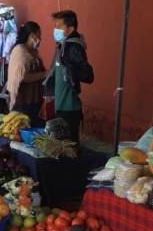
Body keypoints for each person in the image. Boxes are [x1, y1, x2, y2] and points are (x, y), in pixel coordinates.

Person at [43, 10, 94, 144]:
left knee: (69, 148)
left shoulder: (74, 47)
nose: (55, 30)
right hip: (60, 107)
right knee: (61, 147)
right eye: (55, 26)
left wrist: (70, 69)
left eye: (59, 27)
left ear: (70, 29)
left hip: (70, 109)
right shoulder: (62, 46)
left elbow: (88, 76)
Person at [6, 21, 46, 127]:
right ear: (32, 35)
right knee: (21, 127)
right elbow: (22, 77)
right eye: (39, 35)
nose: (40, 38)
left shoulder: (33, 51)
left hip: (33, 99)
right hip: (22, 101)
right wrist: (44, 74)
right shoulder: (20, 51)